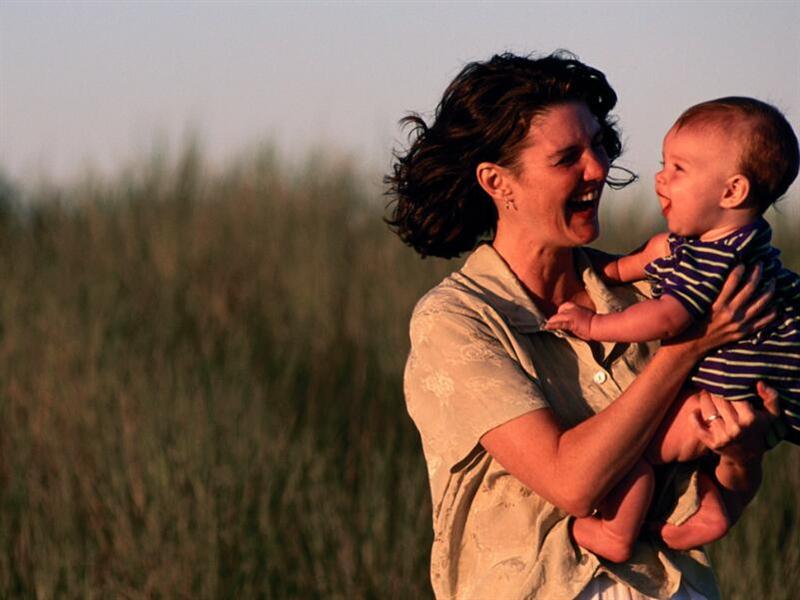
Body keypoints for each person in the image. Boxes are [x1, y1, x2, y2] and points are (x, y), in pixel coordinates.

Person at [386, 52, 781, 599]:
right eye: (567, 157)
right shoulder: (457, 320)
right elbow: (573, 483)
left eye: (598, 145)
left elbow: (719, 504)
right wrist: (687, 349)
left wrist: (743, 452)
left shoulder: (649, 293)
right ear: (497, 182)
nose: (596, 168)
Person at [545, 97, 799, 561]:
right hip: (742, 395)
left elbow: (668, 317)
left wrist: (594, 323)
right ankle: (714, 505)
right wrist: (617, 269)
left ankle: (616, 534)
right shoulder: (741, 244)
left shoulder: (712, 259)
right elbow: (640, 263)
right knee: (694, 451)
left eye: (678, 169)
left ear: (732, 191)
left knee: (634, 454)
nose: (661, 178)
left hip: (718, 399)